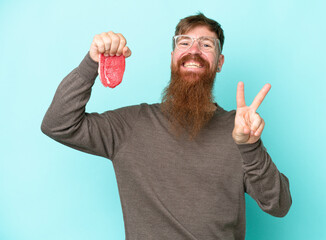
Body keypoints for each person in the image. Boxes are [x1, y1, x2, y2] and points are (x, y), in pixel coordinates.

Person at [41, 13, 292, 240]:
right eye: (184, 43)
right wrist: (91, 63)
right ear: (173, 57)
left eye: (206, 44)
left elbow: (279, 205)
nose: (194, 50)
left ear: (220, 62)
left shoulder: (238, 132)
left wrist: (250, 146)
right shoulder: (132, 125)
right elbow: (58, 124)